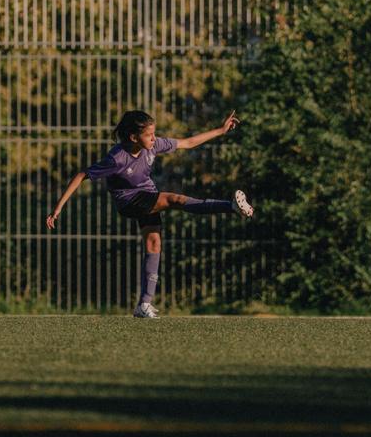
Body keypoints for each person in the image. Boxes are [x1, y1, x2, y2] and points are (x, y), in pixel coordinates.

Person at [46, 110, 254, 318]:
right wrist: (58, 208)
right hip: (129, 202)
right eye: (149, 135)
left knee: (154, 243)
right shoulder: (117, 158)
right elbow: (82, 174)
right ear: (133, 137)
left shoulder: (152, 145)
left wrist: (221, 130)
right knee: (175, 200)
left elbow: (187, 143)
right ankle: (230, 206)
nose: (154, 139)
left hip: (147, 194)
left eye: (154, 134)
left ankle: (144, 305)